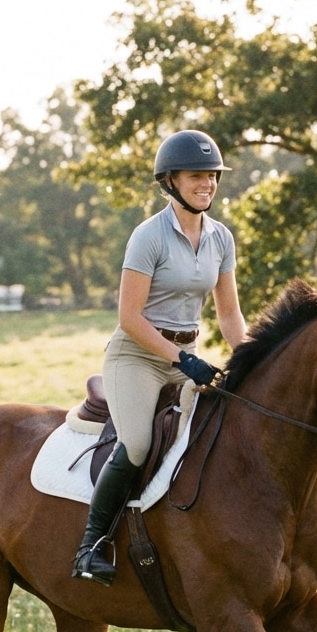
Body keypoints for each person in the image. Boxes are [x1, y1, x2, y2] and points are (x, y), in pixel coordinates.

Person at [72, 129, 248, 586]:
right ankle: (91, 545)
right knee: (138, 444)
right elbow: (130, 316)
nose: (207, 183)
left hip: (185, 354)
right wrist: (180, 358)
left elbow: (229, 313)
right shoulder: (148, 236)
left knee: (215, 435)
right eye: (196, 176)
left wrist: (248, 358)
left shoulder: (221, 238)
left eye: (212, 175)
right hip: (136, 356)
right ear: (170, 181)